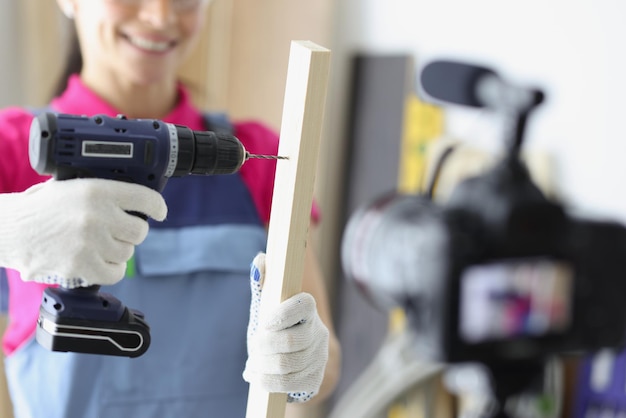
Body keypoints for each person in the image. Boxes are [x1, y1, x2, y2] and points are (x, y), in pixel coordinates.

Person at [0, 0, 341, 417]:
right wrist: (9, 227)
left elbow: (325, 366)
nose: (161, 17)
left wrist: (304, 364)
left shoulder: (262, 159)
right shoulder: (16, 148)